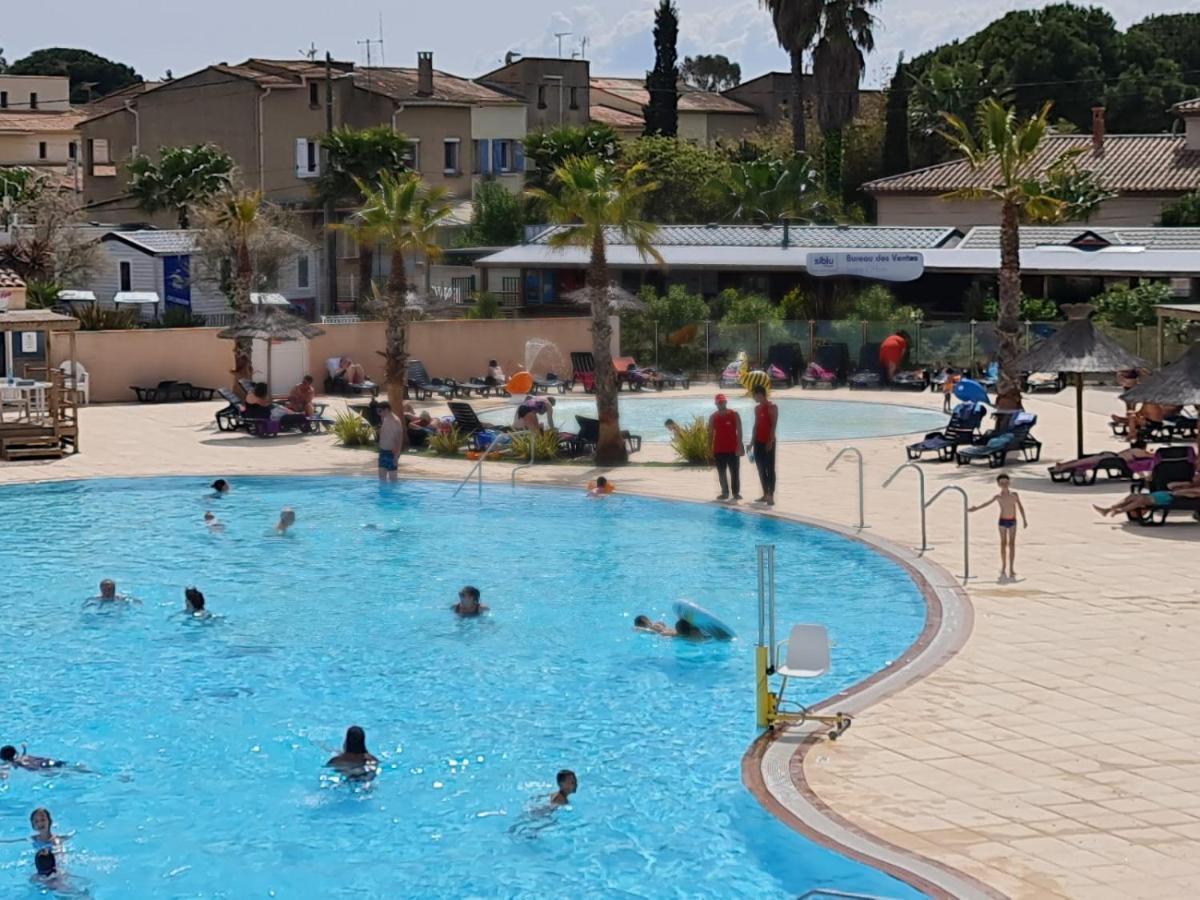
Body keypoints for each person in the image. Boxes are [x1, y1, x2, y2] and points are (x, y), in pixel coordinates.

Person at [968, 474, 1028, 581]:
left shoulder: (1014, 495)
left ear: (1009, 483)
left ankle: (1011, 568)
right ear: (998, 484)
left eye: (1006, 482)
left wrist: (1024, 520)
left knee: (1012, 544)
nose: (1004, 485)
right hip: (1002, 521)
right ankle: (1004, 566)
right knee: (1003, 543)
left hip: (1013, 521)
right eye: (1002, 483)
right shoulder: (998, 497)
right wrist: (976, 508)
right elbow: (986, 503)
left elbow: (1020, 507)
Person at [709, 394, 744, 502]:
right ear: (716, 404)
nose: (721, 403)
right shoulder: (713, 417)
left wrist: (739, 445)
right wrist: (708, 448)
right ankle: (724, 493)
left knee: (735, 472)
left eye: (722, 402)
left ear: (726, 402)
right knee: (721, 472)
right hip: (719, 450)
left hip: (733, 449)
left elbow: (740, 430)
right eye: (719, 402)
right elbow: (710, 434)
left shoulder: (734, 414)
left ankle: (736, 493)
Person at [1048, 440, 1154, 475]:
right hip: (1112, 458)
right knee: (1083, 462)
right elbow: (1149, 456)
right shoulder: (1137, 451)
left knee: (1083, 461)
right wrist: (1151, 453)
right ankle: (1062, 467)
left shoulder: (1132, 450)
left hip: (1110, 456)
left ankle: (1063, 466)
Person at [1094, 484, 1200, 518]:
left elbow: (1180, 494)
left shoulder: (1195, 492)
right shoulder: (1190, 486)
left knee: (1140, 500)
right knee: (1132, 496)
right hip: (1162, 494)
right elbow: (1171, 485)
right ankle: (1108, 510)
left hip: (1166, 499)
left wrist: (1185, 489)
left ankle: (1119, 511)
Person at [750, 385, 778, 506]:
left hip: (768, 441)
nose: (753, 397)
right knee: (761, 469)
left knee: (770, 469)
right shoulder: (756, 408)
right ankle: (765, 494)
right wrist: (751, 442)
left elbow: (773, 426)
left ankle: (771, 495)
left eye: (754, 395)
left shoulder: (772, 407)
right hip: (758, 442)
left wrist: (770, 441)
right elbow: (756, 426)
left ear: (760, 394)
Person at [378, 406, 404, 482]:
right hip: (383, 451)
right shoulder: (385, 419)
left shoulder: (395, 421)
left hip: (391, 453)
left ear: (386, 410)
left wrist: (396, 455)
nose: (379, 413)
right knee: (381, 480)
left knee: (393, 480)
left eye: (380, 411)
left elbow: (399, 438)